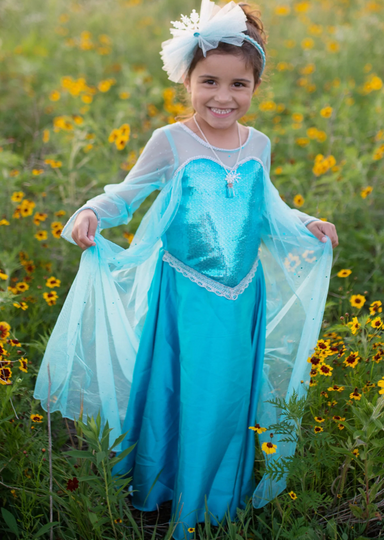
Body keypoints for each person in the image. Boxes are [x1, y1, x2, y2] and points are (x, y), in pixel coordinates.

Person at [34, 1, 338, 538]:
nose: (224, 97)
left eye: (239, 85)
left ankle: (215, 497)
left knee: (224, 396)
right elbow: (126, 195)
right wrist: (88, 211)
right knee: (182, 389)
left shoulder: (259, 145)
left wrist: (308, 222)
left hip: (243, 294)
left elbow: (269, 207)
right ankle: (161, 492)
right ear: (188, 80)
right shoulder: (171, 141)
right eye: (210, 82)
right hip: (185, 295)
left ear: (255, 86)